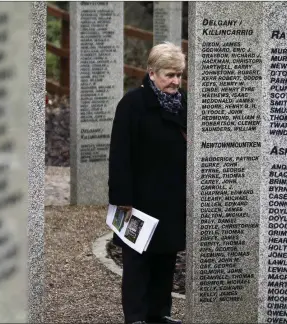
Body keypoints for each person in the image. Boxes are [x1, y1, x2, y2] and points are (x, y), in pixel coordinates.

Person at [108, 42, 187, 324]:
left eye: (179, 74)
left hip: (172, 197)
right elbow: (119, 153)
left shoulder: (184, 104)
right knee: (138, 260)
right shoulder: (132, 104)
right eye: (169, 74)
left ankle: (160, 313)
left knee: (166, 258)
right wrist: (122, 197)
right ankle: (137, 317)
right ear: (152, 73)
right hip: (139, 198)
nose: (175, 81)